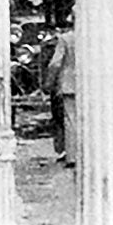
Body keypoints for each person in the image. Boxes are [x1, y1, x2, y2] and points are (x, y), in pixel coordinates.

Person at [45, 12, 77, 167]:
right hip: (90, 83)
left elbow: (56, 63)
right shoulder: (93, 37)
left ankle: (72, 156)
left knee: (71, 120)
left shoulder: (66, 38)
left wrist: (49, 82)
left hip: (70, 83)